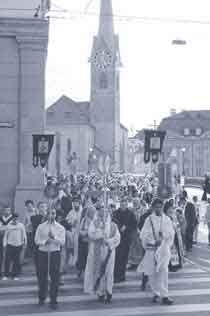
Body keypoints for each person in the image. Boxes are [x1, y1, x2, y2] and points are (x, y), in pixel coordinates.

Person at [138, 198, 175, 305]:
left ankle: (165, 295)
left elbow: (171, 233)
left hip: (163, 250)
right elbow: (143, 234)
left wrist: (163, 236)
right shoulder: (148, 220)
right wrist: (153, 241)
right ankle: (155, 293)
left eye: (160, 207)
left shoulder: (167, 219)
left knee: (163, 272)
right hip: (151, 250)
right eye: (157, 207)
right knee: (152, 273)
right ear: (153, 207)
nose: (159, 209)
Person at [84, 203, 120, 303]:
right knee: (100, 271)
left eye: (106, 212)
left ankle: (109, 292)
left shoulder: (113, 225)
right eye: (101, 212)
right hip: (97, 250)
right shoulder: (94, 223)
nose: (104, 214)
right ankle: (100, 292)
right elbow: (91, 234)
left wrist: (109, 241)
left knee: (109, 272)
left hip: (109, 251)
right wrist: (100, 233)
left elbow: (117, 238)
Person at [35, 208, 65, 310]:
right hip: (43, 253)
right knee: (42, 276)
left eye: (53, 213)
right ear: (46, 214)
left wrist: (54, 237)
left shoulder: (60, 228)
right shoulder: (41, 226)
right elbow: (36, 240)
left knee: (55, 277)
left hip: (54, 253)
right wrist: (44, 241)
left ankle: (53, 300)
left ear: (55, 215)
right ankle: (42, 297)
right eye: (49, 213)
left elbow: (62, 242)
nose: (51, 215)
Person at [113, 197, 137, 283]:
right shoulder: (115, 213)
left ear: (126, 204)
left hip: (126, 239)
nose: (123, 205)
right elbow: (113, 222)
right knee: (117, 258)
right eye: (122, 203)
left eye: (125, 204)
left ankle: (122, 275)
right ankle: (116, 275)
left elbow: (134, 224)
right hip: (117, 239)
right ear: (120, 204)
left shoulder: (130, 213)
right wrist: (119, 227)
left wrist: (127, 227)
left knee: (124, 258)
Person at [3, 213, 27, 280]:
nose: (15, 219)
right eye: (14, 218)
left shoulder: (21, 225)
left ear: (18, 218)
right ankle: (6, 275)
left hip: (18, 245)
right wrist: (4, 245)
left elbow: (24, 235)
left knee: (16, 261)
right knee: (7, 261)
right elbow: (5, 236)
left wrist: (24, 243)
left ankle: (15, 275)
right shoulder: (8, 226)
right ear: (12, 218)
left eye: (17, 218)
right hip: (10, 245)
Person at [76, 205, 96, 277]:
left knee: (90, 257)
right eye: (90, 212)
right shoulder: (84, 220)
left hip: (91, 241)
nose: (91, 213)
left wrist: (89, 232)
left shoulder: (95, 220)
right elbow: (80, 230)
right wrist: (83, 233)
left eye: (93, 212)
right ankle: (81, 270)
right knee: (82, 256)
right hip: (83, 240)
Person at [0, 206, 14, 278]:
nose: (6, 212)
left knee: (9, 256)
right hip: (1, 237)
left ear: (10, 211)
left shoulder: (13, 219)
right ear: (2, 211)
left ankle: (8, 272)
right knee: (1, 255)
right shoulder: (1, 218)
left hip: (10, 238)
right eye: (5, 210)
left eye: (8, 210)